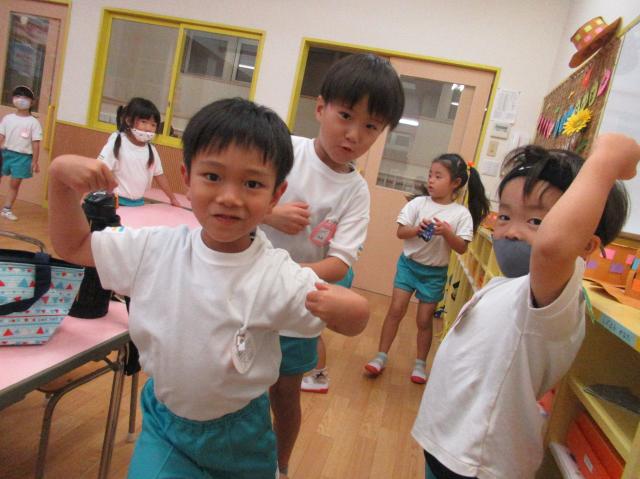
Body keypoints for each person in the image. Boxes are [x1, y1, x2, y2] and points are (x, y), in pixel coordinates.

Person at [48, 97, 370, 479]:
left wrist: (354, 311)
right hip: (166, 425)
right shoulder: (154, 249)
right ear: (187, 177)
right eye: (213, 177)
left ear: (275, 195)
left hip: (241, 435)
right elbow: (74, 246)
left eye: (252, 183)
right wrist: (59, 181)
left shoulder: (276, 274)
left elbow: (353, 319)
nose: (229, 197)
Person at [412, 134, 637, 479]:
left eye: (536, 222)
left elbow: (553, 248)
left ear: (584, 245)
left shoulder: (549, 295)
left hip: (478, 462)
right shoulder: (508, 285)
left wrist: (606, 159)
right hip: (447, 445)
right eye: (505, 216)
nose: (511, 232)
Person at [260, 52, 404, 478]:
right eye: (345, 116)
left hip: (298, 306)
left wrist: (283, 276)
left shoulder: (356, 192)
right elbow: (237, 203)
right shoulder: (283, 150)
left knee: (286, 394)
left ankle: (280, 466)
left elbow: (339, 263)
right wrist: (270, 214)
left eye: (371, 126)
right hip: (243, 294)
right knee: (237, 385)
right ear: (321, 108)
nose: (354, 134)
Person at [365, 153, 489, 383]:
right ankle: (380, 356)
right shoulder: (417, 204)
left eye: (438, 176)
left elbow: (461, 248)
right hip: (409, 266)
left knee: (424, 320)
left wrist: (447, 233)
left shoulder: (461, 214)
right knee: (396, 309)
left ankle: (420, 363)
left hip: (434, 273)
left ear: (456, 183)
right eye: (430, 174)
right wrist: (417, 229)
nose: (431, 180)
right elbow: (401, 232)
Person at [98, 97, 179, 207]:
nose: (148, 128)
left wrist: (172, 198)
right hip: (115, 202)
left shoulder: (151, 150)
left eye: (153, 125)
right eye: (144, 122)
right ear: (128, 121)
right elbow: (100, 168)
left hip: (138, 203)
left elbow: (160, 175)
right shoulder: (117, 142)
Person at [0, 85, 42, 221]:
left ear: (32, 102)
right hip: (5, 153)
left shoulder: (33, 123)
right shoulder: (8, 118)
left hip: (23, 158)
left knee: (14, 184)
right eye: (17, 96)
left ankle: (7, 209)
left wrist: (34, 161)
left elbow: (36, 143)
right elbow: (1, 135)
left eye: (25, 97)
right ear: (13, 98)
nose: (20, 100)